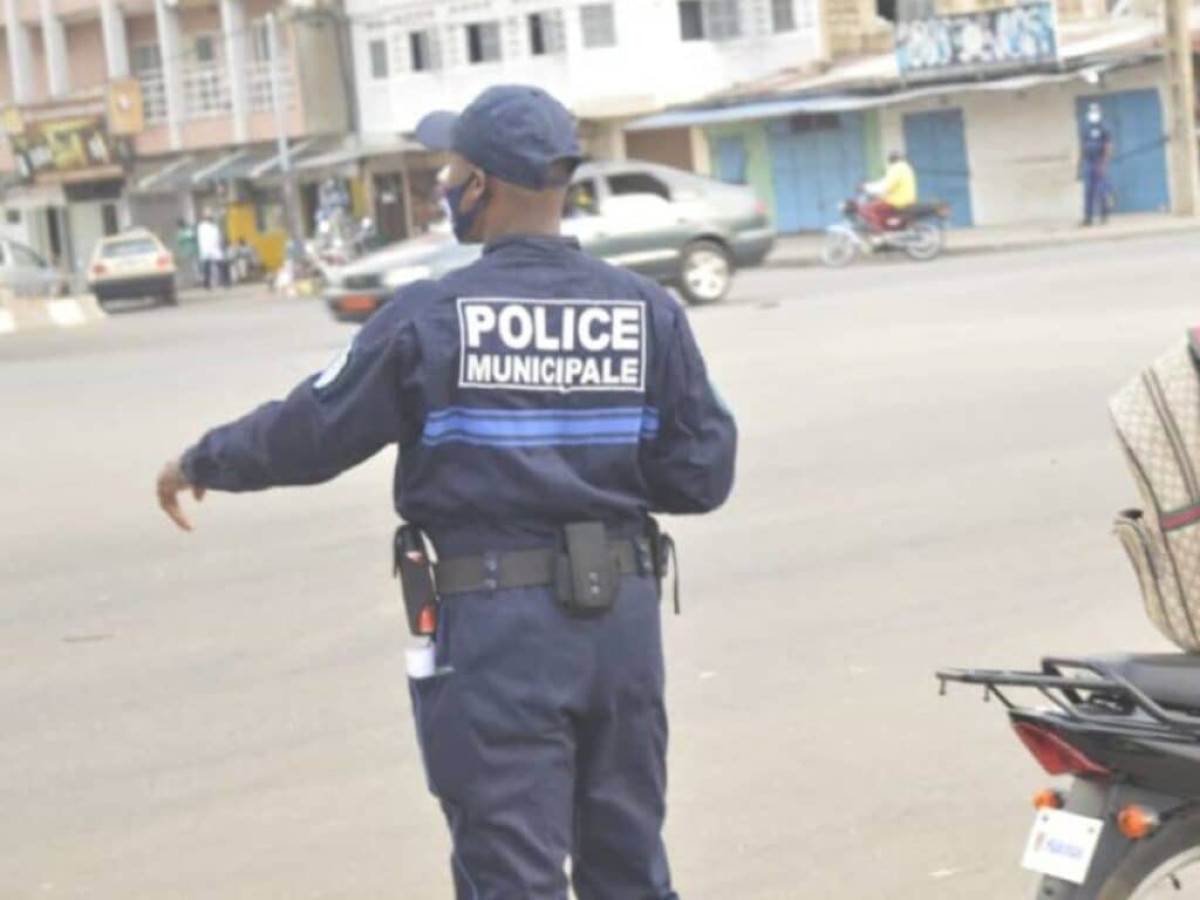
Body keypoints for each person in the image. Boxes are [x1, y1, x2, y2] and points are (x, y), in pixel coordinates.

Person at [155, 84, 737, 899]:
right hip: (621, 629)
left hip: (498, 634)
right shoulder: (646, 310)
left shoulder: (432, 316)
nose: (443, 184)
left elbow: (309, 433)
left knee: (512, 877)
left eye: (450, 167)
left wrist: (200, 462)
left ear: (483, 184)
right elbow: (702, 473)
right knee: (629, 870)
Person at [862, 150, 918, 233]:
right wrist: (870, 186)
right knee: (880, 206)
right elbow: (887, 183)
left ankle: (879, 233)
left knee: (869, 208)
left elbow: (886, 186)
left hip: (897, 201)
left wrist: (866, 187)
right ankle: (890, 228)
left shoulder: (896, 168)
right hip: (909, 200)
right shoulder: (907, 168)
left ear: (891, 159)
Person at [1079, 102, 1113, 227]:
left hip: (1099, 160)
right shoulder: (1086, 127)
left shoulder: (1104, 127)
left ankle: (1104, 215)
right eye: (1091, 111)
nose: (1094, 114)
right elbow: (1083, 146)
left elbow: (1108, 146)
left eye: (1096, 111)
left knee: (1101, 190)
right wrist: (1080, 165)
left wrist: (1104, 163)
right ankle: (1088, 218)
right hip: (1088, 161)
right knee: (1088, 190)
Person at [196, 212, 226, 290]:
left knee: (213, 267)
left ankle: (219, 282)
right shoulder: (204, 227)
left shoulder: (204, 227)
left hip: (210, 249)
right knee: (214, 267)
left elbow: (217, 238)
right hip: (209, 249)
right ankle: (211, 284)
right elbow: (217, 238)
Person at [175, 218, 199, 286]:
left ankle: (194, 281)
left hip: (190, 252)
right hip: (187, 252)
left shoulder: (186, 231)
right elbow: (179, 243)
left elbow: (179, 243)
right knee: (190, 267)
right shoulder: (182, 232)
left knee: (193, 267)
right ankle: (191, 281)